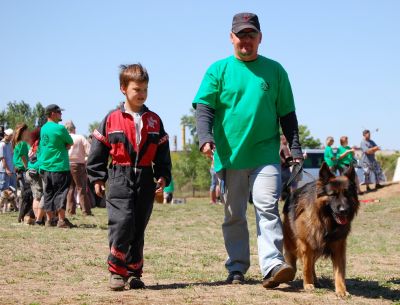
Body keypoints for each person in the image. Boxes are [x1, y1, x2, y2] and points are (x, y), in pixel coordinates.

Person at [193, 12, 303, 289]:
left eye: (251, 35)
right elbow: (204, 108)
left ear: (260, 38)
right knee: (234, 213)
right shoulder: (218, 70)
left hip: (265, 153)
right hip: (230, 156)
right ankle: (237, 267)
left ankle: (272, 265)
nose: (246, 40)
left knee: (267, 207)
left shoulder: (275, 70)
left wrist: (296, 147)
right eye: (241, 35)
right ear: (232, 38)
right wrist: (205, 138)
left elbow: (287, 114)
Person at [87, 64, 172, 291]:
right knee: (122, 222)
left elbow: (162, 149)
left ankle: (134, 272)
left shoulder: (154, 120)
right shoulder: (112, 119)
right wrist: (97, 177)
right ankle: (117, 271)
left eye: (145, 89)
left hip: (145, 177)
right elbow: (98, 150)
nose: (141, 94)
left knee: (138, 225)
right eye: (137, 89)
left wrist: (163, 175)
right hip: (119, 176)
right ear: (123, 88)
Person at [39, 104, 74, 228]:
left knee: (48, 193)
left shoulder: (43, 128)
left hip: (45, 166)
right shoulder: (60, 129)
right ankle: (61, 220)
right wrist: (64, 146)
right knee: (61, 193)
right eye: (59, 112)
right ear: (53, 113)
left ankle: (49, 220)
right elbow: (70, 142)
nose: (61, 114)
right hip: (59, 166)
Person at [64, 120, 93, 216]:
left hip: (66, 165)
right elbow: (90, 151)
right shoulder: (80, 137)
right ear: (74, 129)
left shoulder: (64, 139)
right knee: (81, 188)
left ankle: (70, 210)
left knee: (70, 189)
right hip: (78, 165)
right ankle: (86, 211)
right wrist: (85, 159)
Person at [25, 127, 46, 225]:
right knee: (38, 197)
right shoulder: (40, 144)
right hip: (36, 172)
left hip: (30, 171)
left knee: (36, 197)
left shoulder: (33, 144)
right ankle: (39, 220)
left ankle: (39, 219)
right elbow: (41, 158)